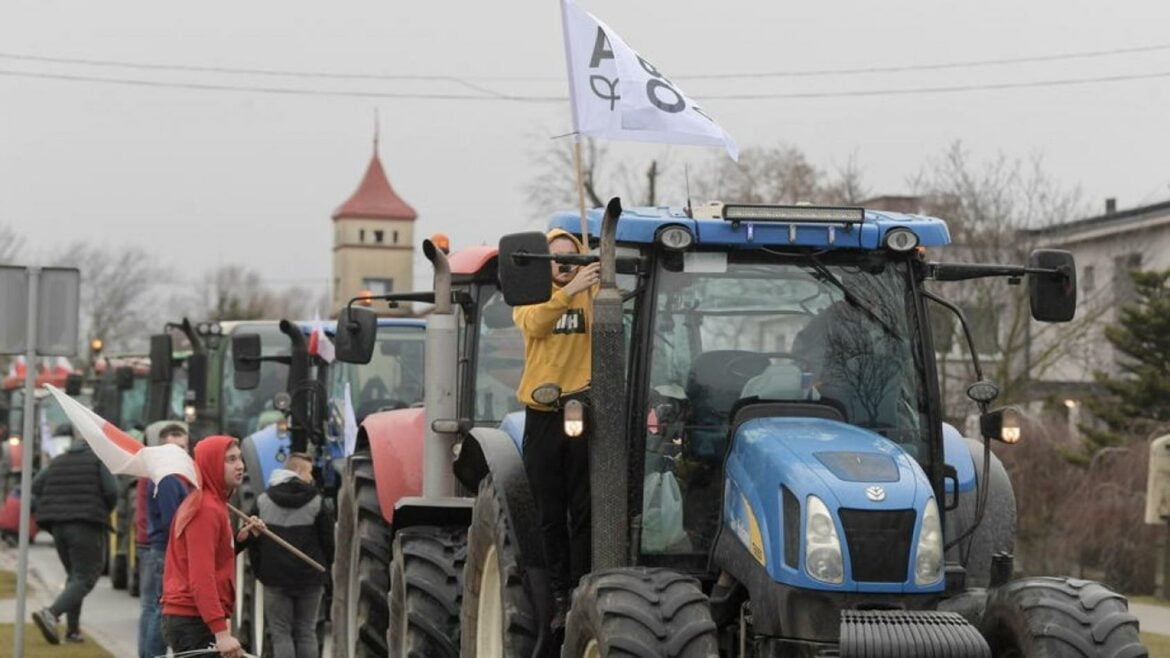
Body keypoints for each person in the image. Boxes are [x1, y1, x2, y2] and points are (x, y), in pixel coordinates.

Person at [513, 228, 599, 628]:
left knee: (584, 508)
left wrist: (595, 284)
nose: (564, 263)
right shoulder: (532, 296)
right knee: (551, 511)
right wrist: (569, 290)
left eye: (571, 255)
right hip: (543, 412)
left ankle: (583, 585)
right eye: (555, 257)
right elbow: (535, 325)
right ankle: (558, 593)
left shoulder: (593, 295)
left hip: (581, 407)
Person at [161, 435, 265, 658]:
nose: (240, 466)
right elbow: (201, 577)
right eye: (230, 460)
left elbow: (216, 556)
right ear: (212, 464)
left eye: (240, 458)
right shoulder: (205, 510)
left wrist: (241, 539)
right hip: (192, 619)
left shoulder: (215, 503)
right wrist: (221, 632)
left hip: (196, 617)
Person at [30, 432, 117, 645]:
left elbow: (36, 485)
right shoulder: (98, 460)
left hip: (57, 526)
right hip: (86, 524)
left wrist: (56, 502)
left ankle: (72, 631)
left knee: (75, 577)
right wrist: (104, 509)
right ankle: (51, 614)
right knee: (86, 577)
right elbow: (113, 490)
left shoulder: (58, 461)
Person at [249, 452, 334, 658]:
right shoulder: (317, 502)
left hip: (274, 579)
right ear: (297, 471)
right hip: (309, 578)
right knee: (306, 632)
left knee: (281, 634)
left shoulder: (262, 501)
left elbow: (254, 544)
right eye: (309, 472)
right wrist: (323, 570)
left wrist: (262, 573)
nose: (311, 478)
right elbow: (328, 543)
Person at [137, 421, 191, 658]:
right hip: (163, 549)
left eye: (184, 447)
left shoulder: (163, 476)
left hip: (155, 548)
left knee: (150, 608)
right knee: (159, 609)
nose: (182, 453)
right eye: (176, 448)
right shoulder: (168, 478)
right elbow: (173, 520)